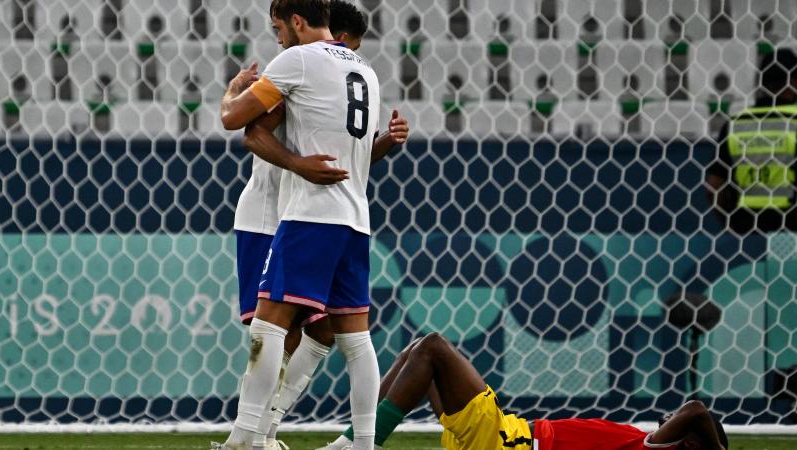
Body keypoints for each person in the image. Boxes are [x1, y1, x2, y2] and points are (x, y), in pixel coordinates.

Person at [239, 2, 409, 449]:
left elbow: (239, 124)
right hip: (323, 217)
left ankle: (253, 435)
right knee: (337, 336)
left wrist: (233, 95)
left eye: (279, 27)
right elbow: (351, 158)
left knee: (287, 328)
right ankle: (354, 443)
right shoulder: (357, 73)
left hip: (306, 214)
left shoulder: (307, 65)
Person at [320, 333, 729, 450]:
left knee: (432, 348)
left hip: (508, 443)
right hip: (502, 436)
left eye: (673, 421)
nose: (668, 415)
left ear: (689, 444)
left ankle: (361, 444)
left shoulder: (651, 447)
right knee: (418, 354)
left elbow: (696, 409)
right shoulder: (638, 440)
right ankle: (352, 440)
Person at [707, 48, 797, 234]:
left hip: (745, 231)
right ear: (793, 81)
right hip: (791, 232)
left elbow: (713, 187)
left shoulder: (734, 124)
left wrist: (728, 224)